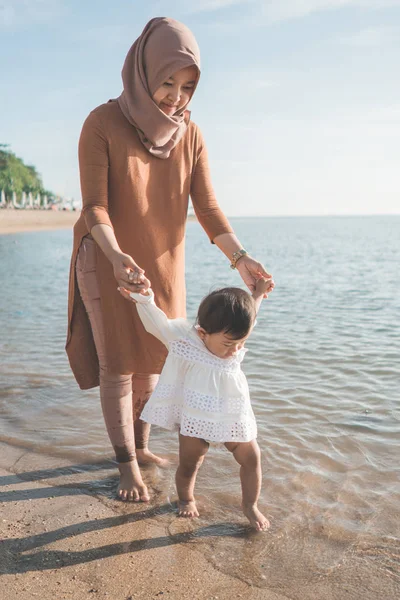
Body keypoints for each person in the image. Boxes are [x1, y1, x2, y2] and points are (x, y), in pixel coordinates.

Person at [66, 17, 273, 503]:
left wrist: (240, 259)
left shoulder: (192, 135)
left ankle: (141, 445)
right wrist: (115, 256)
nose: (176, 97)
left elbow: (207, 208)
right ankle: (125, 465)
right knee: (119, 363)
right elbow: (94, 206)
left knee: (157, 358)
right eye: (167, 82)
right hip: (107, 257)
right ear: (143, 71)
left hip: (161, 262)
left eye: (188, 87)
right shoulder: (102, 123)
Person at [118, 278, 273, 531]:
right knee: (191, 463)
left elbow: (251, 313)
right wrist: (144, 298)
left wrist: (257, 292)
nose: (235, 351)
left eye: (241, 343)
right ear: (203, 333)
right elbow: (156, 325)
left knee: (252, 457)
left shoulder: (236, 332)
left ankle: (250, 505)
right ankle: (186, 498)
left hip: (232, 415)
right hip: (196, 417)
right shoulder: (186, 341)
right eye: (228, 344)